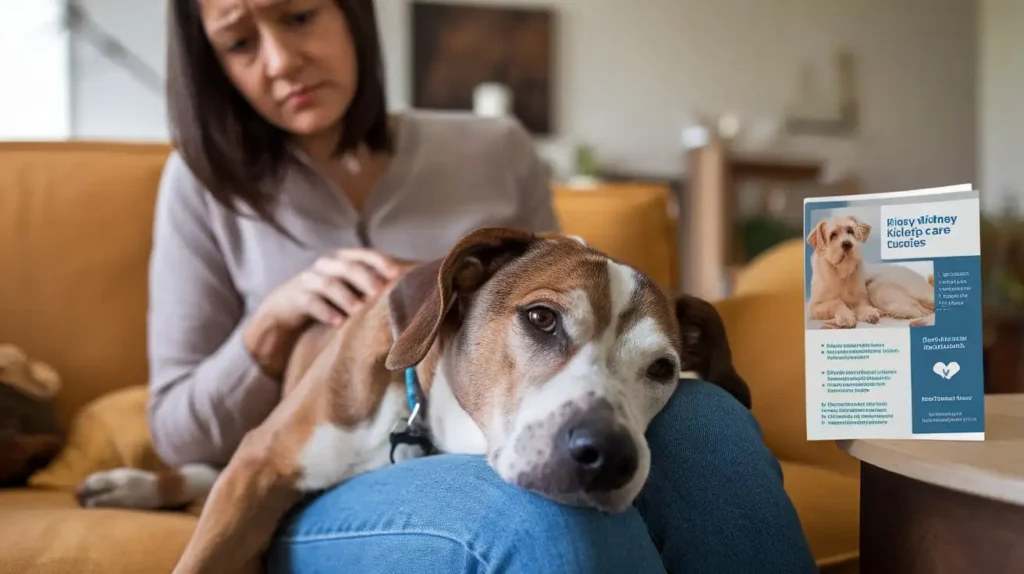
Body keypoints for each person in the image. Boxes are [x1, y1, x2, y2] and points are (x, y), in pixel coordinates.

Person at [150, 0, 818, 572]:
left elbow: (574, 303)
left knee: (714, 425)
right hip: (354, 472)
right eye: (239, 41)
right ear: (212, 62)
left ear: (351, 11)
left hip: (480, 419)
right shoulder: (201, 185)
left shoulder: (496, 148)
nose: (280, 60)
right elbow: (179, 426)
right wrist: (271, 323)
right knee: (544, 520)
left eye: (299, 16)